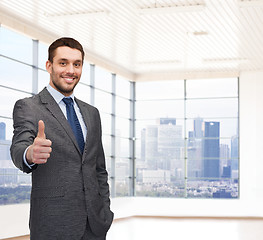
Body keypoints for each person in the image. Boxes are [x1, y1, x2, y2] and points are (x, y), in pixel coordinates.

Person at [10, 37, 114, 240]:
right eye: (63, 63)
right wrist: (30, 153)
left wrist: (105, 211)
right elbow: (19, 147)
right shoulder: (29, 107)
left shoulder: (92, 113)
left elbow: (98, 168)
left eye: (77, 64)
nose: (71, 70)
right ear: (49, 66)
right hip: (53, 225)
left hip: (94, 224)